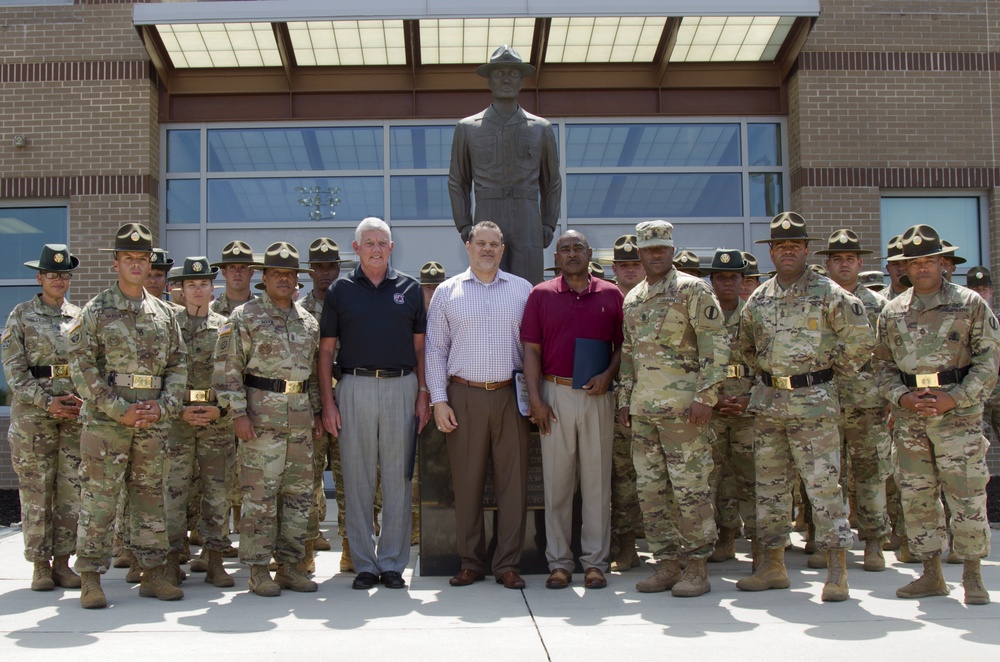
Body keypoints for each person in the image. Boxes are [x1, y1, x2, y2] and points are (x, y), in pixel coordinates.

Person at [735, 212, 874, 602]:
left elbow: (862, 342)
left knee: (823, 487)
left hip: (814, 405)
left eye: (795, 245)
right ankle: (773, 566)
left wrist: (826, 375)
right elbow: (746, 346)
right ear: (772, 253)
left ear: (807, 250)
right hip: (768, 404)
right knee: (771, 489)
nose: (788, 252)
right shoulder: (760, 297)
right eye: (781, 246)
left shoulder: (830, 293)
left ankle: (836, 572)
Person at [874, 224, 999, 605]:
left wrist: (956, 398)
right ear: (904, 267)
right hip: (911, 417)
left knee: (966, 494)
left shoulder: (970, 303)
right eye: (915, 262)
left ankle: (973, 576)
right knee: (917, 496)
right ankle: (930, 574)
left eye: (930, 260)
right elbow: (880, 367)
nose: (923, 267)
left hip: (956, 415)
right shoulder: (893, 310)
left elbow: (989, 360)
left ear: (943, 263)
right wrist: (902, 398)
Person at [68, 222, 187, 609]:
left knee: (150, 496)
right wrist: (118, 409)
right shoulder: (97, 310)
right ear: (116, 263)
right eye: (128, 258)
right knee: (100, 498)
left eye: (142, 258)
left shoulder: (165, 314)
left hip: (152, 421)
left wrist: (164, 405)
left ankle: (154, 573)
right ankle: (90, 576)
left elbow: (178, 366)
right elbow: (81, 367)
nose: (136, 265)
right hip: (108, 423)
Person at [319, 217, 431, 591]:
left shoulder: (411, 289)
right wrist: (328, 402)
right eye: (369, 243)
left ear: (392, 247)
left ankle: (393, 564)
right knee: (357, 478)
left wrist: (423, 393)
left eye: (382, 242)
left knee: (399, 478)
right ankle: (365, 563)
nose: (376, 248)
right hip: (354, 386)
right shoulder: (340, 291)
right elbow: (326, 351)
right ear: (356, 248)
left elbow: (421, 348)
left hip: (402, 386)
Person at [617, 223, 728, 597]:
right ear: (640, 253)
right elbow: (629, 354)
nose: (656, 254)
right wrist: (625, 401)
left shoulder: (693, 290)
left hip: (685, 412)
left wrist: (706, 398)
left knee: (691, 490)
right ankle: (665, 564)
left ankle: (696, 567)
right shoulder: (633, 298)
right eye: (649, 249)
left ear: (672, 249)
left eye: (663, 247)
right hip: (645, 412)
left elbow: (716, 347)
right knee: (650, 491)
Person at [425, 221, 533, 590]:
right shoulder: (446, 292)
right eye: (480, 243)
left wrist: (534, 398)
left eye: (494, 244)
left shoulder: (522, 290)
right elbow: (435, 350)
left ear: (503, 249)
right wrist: (439, 400)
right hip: (464, 395)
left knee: (513, 484)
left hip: (509, 395)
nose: (487, 249)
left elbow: (534, 350)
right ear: (468, 247)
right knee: (467, 483)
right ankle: (470, 561)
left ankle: (508, 564)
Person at [213, 242, 321, 597]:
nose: (285, 280)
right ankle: (258, 569)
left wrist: (317, 413)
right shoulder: (245, 316)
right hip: (261, 422)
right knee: (259, 498)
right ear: (264, 277)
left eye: (290, 274)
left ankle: (290, 566)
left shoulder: (308, 321)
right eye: (277, 274)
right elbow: (228, 370)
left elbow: (315, 376)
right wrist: (238, 415)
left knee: (297, 498)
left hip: (300, 423)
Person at [521, 230, 623, 590]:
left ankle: (595, 563)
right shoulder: (541, 294)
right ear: (557, 258)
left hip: (597, 396)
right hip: (555, 393)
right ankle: (560, 563)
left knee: (596, 484)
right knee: (557, 485)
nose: (572, 253)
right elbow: (530, 350)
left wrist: (609, 375)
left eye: (578, 247)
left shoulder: (611, 294)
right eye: (564, 249)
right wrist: (536, 400)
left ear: (590, 253)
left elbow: (622, 347)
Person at [2, 244, 83, 592]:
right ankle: (40, 565)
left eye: (64, 275)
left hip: (72, 417)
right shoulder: (20, 315)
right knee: (36, 492)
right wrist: (46, 401)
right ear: (40, 278)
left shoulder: (79, 317)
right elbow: (14, 372)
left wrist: (81, 399)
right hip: (34, 419)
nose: (59, 280)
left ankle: (64, 564)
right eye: (52, 275)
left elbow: (87, 365)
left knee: (70, 492)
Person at [448, 45, 561, 285]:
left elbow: (551, 181)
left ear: (522, 81)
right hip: (486, 211)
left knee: (529, 287)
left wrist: (548, 222)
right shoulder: (467, 128)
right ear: (489, 81)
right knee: (485, 282)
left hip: (527, 215)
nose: (506, 79)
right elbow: (458, 180)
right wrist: (465, 224)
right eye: (499, 74)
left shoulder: (542, 128)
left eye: (513, 73)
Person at [817, 229, 891, 572]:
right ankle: (830, 544)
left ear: (860, 263)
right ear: (828, 264)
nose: (843, 264)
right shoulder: (816, 299)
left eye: (849, 259)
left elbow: (892, 356)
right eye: (837, 259)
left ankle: (874, 541)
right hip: (824, 404)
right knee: (829, 478)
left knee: (870, 474)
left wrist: (893, 397)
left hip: (868, 403)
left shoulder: (878, 306)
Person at [164, 257, 235, 588]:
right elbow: (160, 373)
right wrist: (177, 409)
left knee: (216, 492)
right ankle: (170, 559)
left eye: (203, 284)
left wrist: (221, 409)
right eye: (191, 284)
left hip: (215, 421)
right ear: (180, 289)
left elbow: (235, 373)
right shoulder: (168, 324)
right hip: (177, 420)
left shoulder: (226, 326)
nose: (197, 290)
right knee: (173, 492)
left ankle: (215, 560)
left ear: (212, 288)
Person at [703, 249, 756, 566]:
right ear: (712, 280)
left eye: (733, 277)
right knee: (716, 477)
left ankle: (761, 546)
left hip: (749, 408)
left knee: (751, 478)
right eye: (721, 277)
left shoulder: (756, 316)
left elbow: (770, 364)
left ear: (742, 281)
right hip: (713, 409)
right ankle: (724, 538)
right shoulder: (702, 317)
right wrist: (712, 399)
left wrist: (752, 398)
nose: (727, 283)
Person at [299, 237, 348, 571]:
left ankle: (350, 548)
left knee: (350, 482)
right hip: (311, 410)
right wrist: (314, 409)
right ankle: (305, 553)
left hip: (347, 404)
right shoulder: (299, 313)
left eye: (331, 265)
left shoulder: (349, 305)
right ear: (310, 270)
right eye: (319, 266)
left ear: (339, 268)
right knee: (306, 483)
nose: (325, 272)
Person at [210, 239, 258, 552]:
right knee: (219, 474)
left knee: (253, 472)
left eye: (243, 267)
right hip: (219, 408)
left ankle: (248, 531)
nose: (237, 272)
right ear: (223, 272)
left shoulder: (260, 310)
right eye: (231, 267)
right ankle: (219, 537)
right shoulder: (210, 312)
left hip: (256, 404)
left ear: (252, 272)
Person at [608, 234, 645, 572]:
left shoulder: (656, 300)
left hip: (650, 403)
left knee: (645, 477)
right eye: (625, 265)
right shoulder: (604, 300)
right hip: (609, 401)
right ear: (614, 269)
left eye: (636, 264)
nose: (631, 270)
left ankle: (640, 545)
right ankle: (621, 544)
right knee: (617, 477)